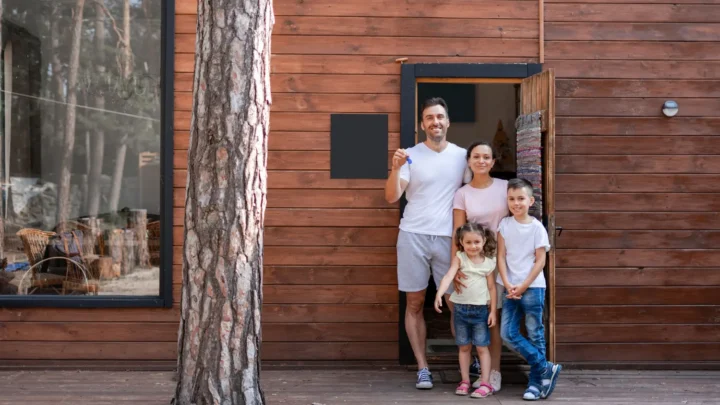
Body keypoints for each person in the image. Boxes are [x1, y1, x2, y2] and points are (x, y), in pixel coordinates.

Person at [385, 97, 467, 389]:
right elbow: (392, 197)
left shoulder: (461, 156)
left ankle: (466, 366)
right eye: (430, 117)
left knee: (455, 301)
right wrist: (395, 169)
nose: (435, 122)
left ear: (447, 122)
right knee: (415, 302)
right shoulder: (410, 156)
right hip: (413, 235)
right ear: (422, 124)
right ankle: (423, 367)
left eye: (440, 117)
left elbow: (471, 194)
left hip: (449, 239)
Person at [451, 141, 508, 392]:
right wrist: (456, 268)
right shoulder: (462, 193)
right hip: (475, 261)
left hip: (503, 257)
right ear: (469, 161)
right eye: (476, 156)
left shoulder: (505, 187)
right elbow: (457, 233)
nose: (481, 161)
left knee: (494, 315)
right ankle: (477, 370)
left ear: (493, 162)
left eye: (486, 157)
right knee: (477, 315)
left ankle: (494, 373)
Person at [497, 178, 561, 401]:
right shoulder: (504, 225)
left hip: (532, 288)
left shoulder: (537, 228)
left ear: (530, 200)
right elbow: (501, 256)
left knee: (535, 333)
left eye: (521, 198)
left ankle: (535, 382)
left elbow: (540, 261)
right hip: (510, 287)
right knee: (507, 333)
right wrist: (507, 283)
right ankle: (545, 367)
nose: (516, 203)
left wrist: (522, 286)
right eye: (512, 199)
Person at [434, 223, 497, 398]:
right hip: (460, 310)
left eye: (477, 241)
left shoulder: (489, 262)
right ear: (461, 242)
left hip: (481, 311)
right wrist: (439, 293)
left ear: (484, 241)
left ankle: (485, 383)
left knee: (482, 347)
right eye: (468, 242)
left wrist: (492, 311)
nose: (473, 246)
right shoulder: (460, 258)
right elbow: (448, 276)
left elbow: (492, 288)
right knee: (464, 347)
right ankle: (465, 381)